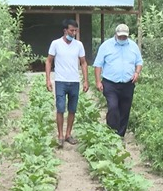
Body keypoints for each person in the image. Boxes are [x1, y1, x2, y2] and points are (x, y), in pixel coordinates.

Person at [93, 24, 143, 137]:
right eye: (120, 36)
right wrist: (98, 81)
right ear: (116, 34)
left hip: (128, 84)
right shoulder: (106, 46)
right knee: (113, 107)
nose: (122, 39)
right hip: (110, 84)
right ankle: (111, 132)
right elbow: (98, 65)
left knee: (125, 110)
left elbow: (139, 62)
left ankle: (120, 135)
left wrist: (137, 72)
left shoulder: (133, 46)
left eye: (124, 37)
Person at [45, 19, 89, 147]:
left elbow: (83, 62)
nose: (74, 33)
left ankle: (68, 134)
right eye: (71, 30)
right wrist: (48, 79)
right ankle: (60, 135)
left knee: (72, 109)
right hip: (60, 81)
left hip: (74, 81)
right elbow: (48, 61)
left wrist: (86, 80)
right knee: (60, 108)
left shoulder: (79, 45)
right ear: (65, 30)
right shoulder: (56, 44)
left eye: (76, 30)